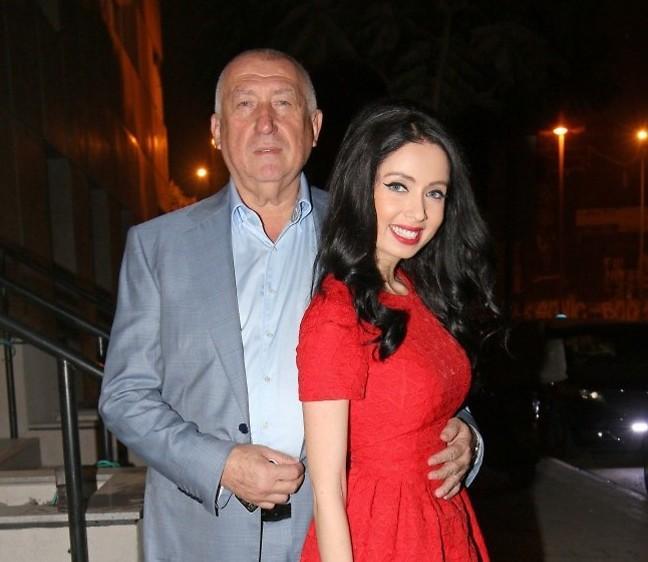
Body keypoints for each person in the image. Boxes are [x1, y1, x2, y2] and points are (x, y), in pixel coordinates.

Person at [99, 49, 483, 562]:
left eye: (283, 103)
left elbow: (419, 361)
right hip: (203, 528)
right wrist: (220, 464)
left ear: (314, 126)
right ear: (216, 130)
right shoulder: (159, 247)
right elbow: (125, 396)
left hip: (343, 524)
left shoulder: (372, 232)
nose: (265, 122)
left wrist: (466, 435)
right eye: (245, 104)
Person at [298, 101, 498, 561]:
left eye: (435, 193)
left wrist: (462, 434)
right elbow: (327, 491)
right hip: (381, 532)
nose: (418, 212)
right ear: (360, 186)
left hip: (441, 520)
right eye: (398, 186)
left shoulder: (417, 289)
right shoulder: (336, 313)